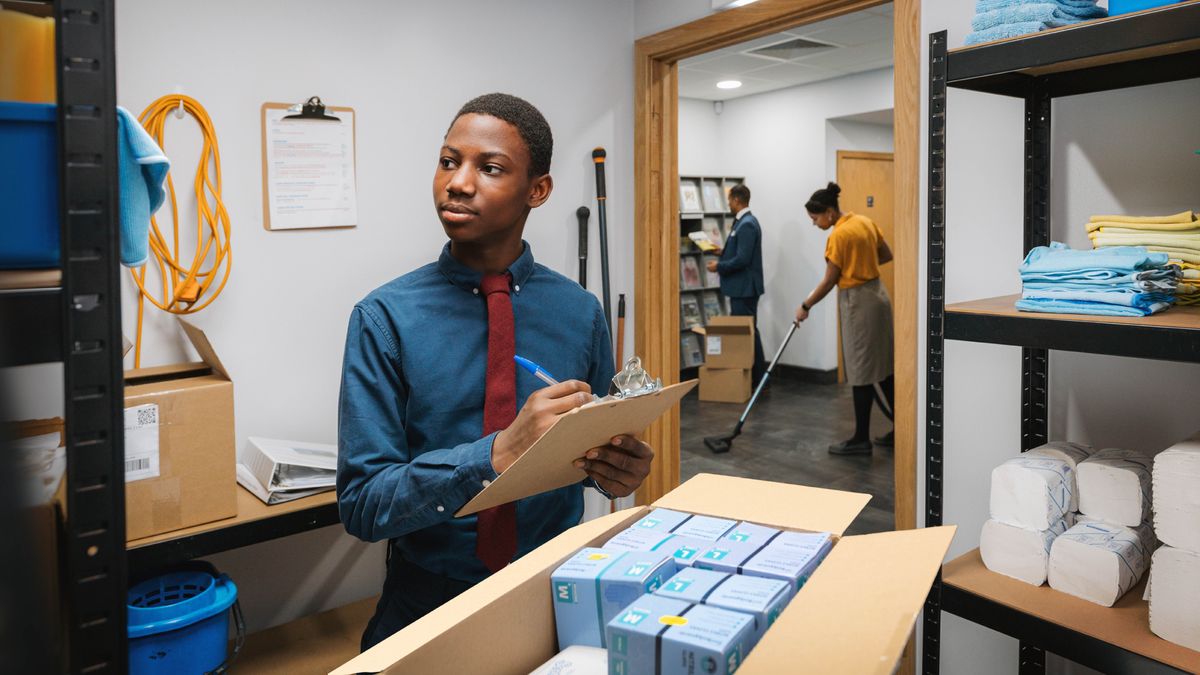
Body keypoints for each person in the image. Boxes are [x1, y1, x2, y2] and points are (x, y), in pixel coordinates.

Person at [337, 93, 656, 651]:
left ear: (538, 190)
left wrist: (614, 470)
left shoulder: (580, 314)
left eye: (489, 168)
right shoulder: (384, 317)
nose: (458, 183)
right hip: (428, 600)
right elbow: (364, 504)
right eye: (447, 161)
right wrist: (496, 456)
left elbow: (587, 460)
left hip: (553, 590)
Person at [794, 182, 895, 455]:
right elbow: (887, 254)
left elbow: (829, 281)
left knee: (860, 370)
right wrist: (863, 262)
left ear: (828, 212)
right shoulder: (864, 221)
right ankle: (903, 427)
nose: (815, 225)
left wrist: (806, 305)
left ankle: (861, 439)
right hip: (879, 296)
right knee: (884, 367)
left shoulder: (838, 235)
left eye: (815, 219)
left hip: (858, 302)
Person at [706, 184, 765, 384]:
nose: (728, 204)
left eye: (730, 200)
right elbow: (740, 251)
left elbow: (743, 259)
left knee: (748, 333)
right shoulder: (743, 222)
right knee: (748, 331)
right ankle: (756, 380)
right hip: (741, 288)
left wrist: (719, 266)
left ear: (737, 200)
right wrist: (721, 252)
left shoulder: (747, 223)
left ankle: (758, 380)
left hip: (745, 288)